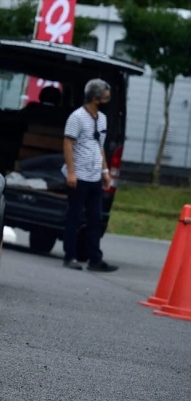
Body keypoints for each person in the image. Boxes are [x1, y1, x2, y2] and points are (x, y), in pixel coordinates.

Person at [62, 78, 118, 272]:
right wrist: (71, 172)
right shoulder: (76, 117)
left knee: (96, 218)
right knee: (74, 216)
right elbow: (68, 144)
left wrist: (105, 171)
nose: (107, 100)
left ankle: (95, 259)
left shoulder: (102, 119)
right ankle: (70, 256)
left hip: (95, 176)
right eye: (105, 97)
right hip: (79, 175)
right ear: (95, 98)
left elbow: (99, 146)